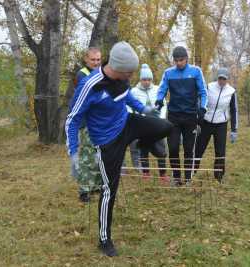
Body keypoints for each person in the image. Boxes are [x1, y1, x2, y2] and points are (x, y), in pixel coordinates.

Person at [66, 41, 172, 257]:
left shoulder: (122, 80)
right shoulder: (89, 85)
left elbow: (127, 96)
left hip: (127, 123)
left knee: (165, 127)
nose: (132, 76)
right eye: (130, 72)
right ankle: (104, 239)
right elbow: (72, 119)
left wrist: (144, 109)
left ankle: (143, 143)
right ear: (119, 68)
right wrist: (73, 153)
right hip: (107, 142)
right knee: (108, 191)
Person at [155, 46, 207, 186]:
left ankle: (188, 178)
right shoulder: (168, 73)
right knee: (172, 148)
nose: (179, 63)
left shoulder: (196, 72)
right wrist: (159, 100)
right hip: (174, 116)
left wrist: (203, 108)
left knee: (189, 148)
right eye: (176, 60)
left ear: (186, 59)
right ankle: (177, 178)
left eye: (181, 60)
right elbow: (162, 89)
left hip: (191, 116)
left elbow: (203, 92)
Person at [194, 67, 238, 183]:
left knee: (220, 151)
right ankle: (192, 171)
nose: (222, 81)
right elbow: (199, 103)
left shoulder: (231, 91)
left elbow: (234, 110)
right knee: (199, 148)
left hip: (221, 124)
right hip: (206, 122)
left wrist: (234, 129)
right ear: (217, 78)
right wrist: (197, 121)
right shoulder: (209, 87)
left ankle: (219, 176)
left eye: (224, 79)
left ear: (227, 79)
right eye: (220, 78)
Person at [73, 47, 103, 203]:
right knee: (87, 157)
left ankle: (96, 185)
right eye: (93, 60)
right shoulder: (82, 75)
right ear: (86, 59)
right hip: (87, 122)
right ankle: (84, 190)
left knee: (98, 154)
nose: (96, 63)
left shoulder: (101, 73)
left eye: (98, 60)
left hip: (100, 121)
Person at [130, 63, 169, 182]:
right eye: (144, 79)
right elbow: (130, 106)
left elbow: (163, 105)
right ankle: (145, 173)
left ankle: (163, 174)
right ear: (140, 79)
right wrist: (137, 119)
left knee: (161, 150)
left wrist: (161, 120)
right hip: (142, 125)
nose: (146, 82)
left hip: (157, 124)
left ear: (151, 79)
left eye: (148, 79)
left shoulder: (158, 89)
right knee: (143, 149)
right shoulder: (134, 91)